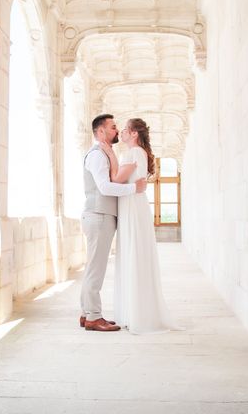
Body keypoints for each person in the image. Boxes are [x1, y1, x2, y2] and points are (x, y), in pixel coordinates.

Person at [100, 118, 179, 334]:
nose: (122, 133)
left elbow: (115, 180)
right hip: (135, 204)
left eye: (125, 130)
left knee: (132, 254)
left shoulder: (133, 153)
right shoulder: (139, 153)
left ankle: (135, 315)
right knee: (135, 255)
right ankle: (136, 312)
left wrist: (109, 154)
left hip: (132, 206)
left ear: (134, 134)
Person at [80, 114, 147, 332]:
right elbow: (105, 187)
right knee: (95, 269)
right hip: (99, 216)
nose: (117, 131)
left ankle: (86, 313)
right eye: (112, 127)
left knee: (93, 267)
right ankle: (93, 316)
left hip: (101, 215)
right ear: (100, 131)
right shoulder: (97, 155)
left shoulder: (104, 153)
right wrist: (133, 189)